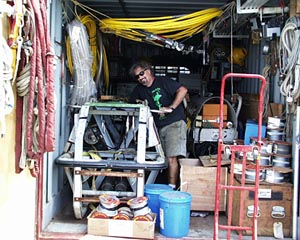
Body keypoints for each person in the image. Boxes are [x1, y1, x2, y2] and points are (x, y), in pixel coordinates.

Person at [128, 60, 188, 189]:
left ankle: (171, 188)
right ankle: (155, 186)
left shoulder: (164, 82)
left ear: (148, 70)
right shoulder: (139, 90)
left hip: (174, 123)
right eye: (137, 76)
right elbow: (131, 103)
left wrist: (171, 107)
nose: (140, 78)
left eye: (142, 73)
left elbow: (183, 90)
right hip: (156, 128)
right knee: (159, 159)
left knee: (172, 158)